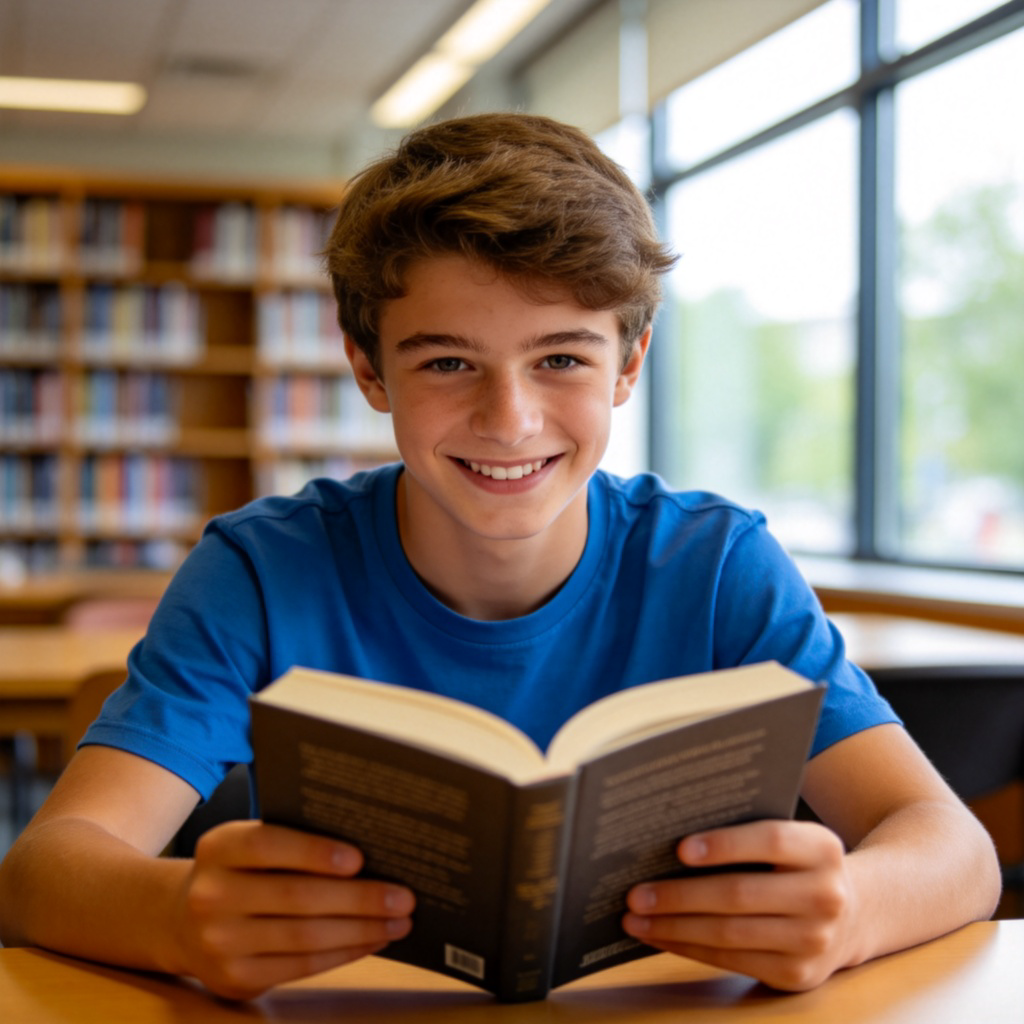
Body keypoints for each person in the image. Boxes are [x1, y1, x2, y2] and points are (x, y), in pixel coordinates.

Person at [0, 112, 1000, 1001]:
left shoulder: (717, 563)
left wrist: (855, 905)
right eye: (446, 362)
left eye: (560, 356)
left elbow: (954, 847)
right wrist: (177, 915)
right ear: (366, 367)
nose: (508, 419)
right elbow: (46, 870)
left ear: (629, 363)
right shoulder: (259, 571)